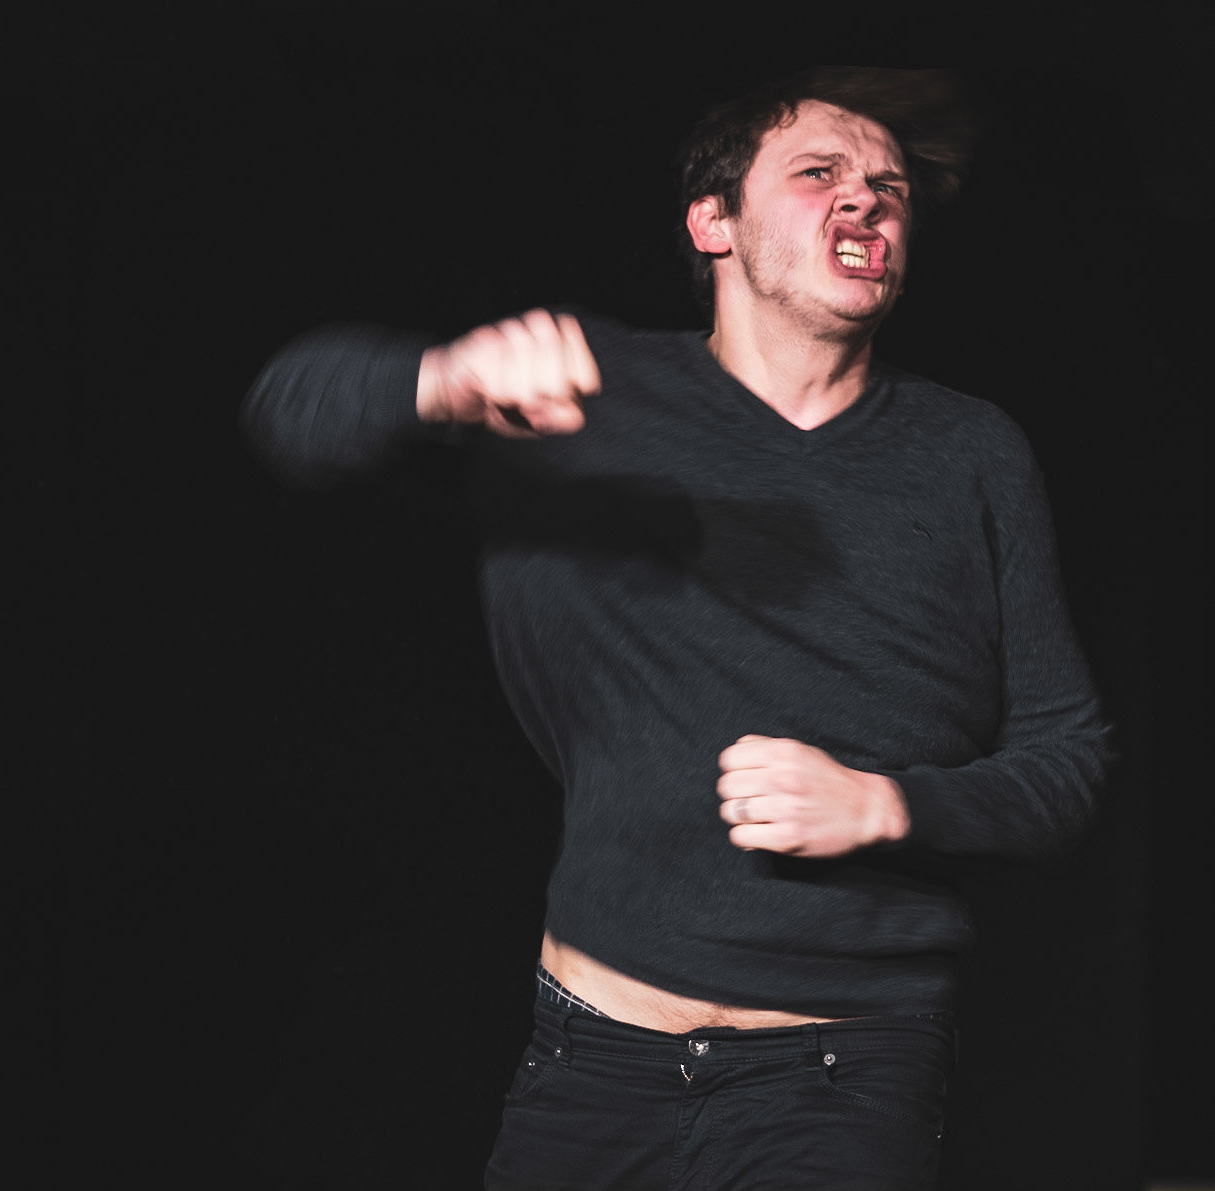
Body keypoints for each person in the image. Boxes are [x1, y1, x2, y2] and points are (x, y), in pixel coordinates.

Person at [240, 66, 1111, 1191]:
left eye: (888, 186)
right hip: (589, 1061)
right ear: (713, 223)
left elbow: (1067, 761)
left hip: (844, 1072)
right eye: (818, 174)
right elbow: (288, 410)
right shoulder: (588, 398)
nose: (864, 198)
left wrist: (884, 804)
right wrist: (440, 378)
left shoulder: (970, 454)